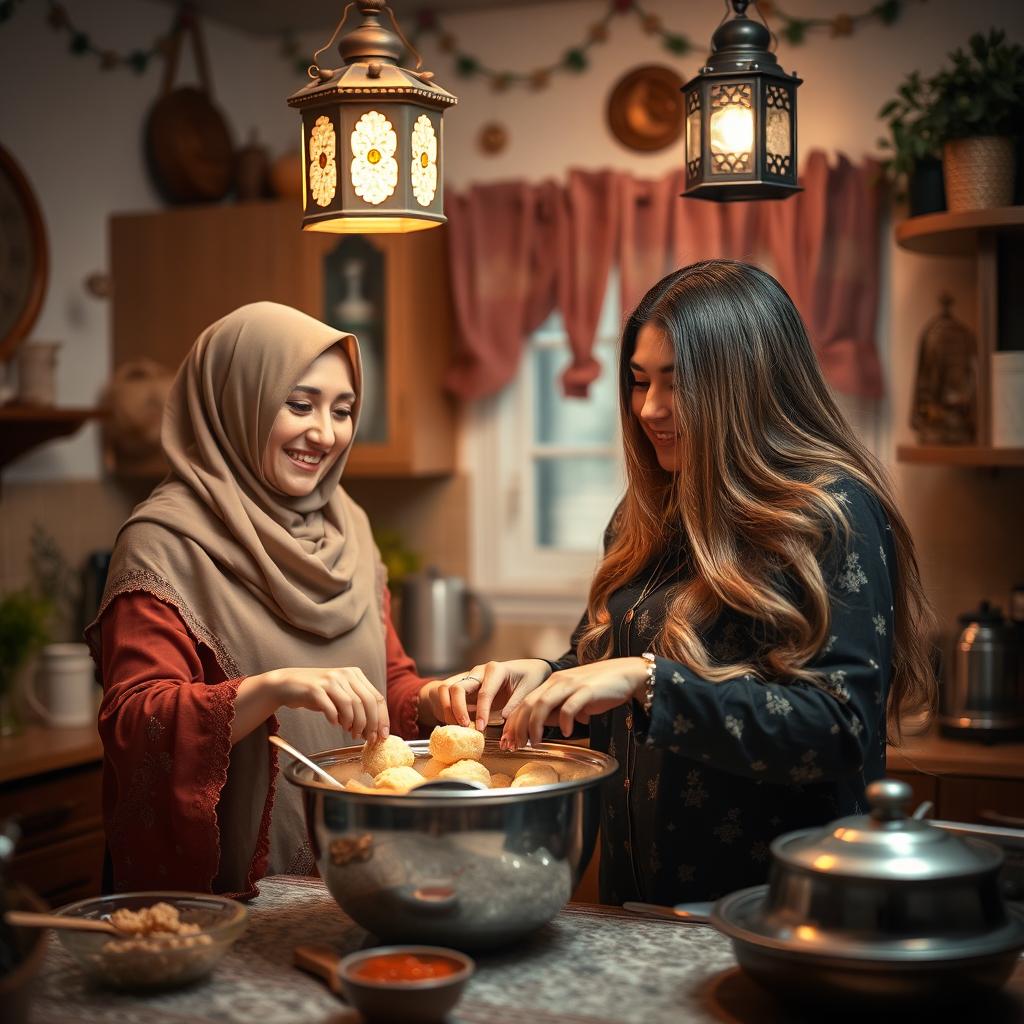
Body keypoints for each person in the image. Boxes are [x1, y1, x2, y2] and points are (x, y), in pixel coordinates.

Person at [421, 260, 937, 906]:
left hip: (776, 913)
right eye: (638, 383)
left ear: (746, 386)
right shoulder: (646, 513)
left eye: (677, 384)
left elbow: (839, 728)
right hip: (640, 904)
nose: (650, 409)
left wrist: (648, 679)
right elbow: (607, 673)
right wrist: (543, 677)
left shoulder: (831, 513)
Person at [87, 302, 426, 897]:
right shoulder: (162, 545)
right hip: (227, 907)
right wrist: (270, 687)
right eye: (299, 405)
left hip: (358, 880)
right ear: (234, 400)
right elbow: (133, 724)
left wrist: (440, 699)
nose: (325, 433)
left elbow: (385, 684)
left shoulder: (351, 529)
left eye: (342, 410)